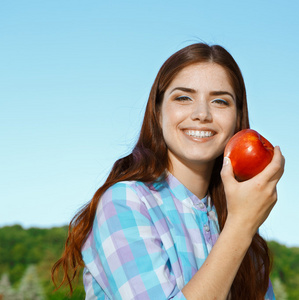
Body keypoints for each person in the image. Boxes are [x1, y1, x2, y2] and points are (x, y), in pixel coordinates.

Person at [52, 43, 285, 299]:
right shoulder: (125, 203)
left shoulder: (237, 223)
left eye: (220, 101)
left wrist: (242, 224)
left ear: (237, 118)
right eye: (184, 97)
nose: (201, 114)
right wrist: (241, 226)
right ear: (158, 110)